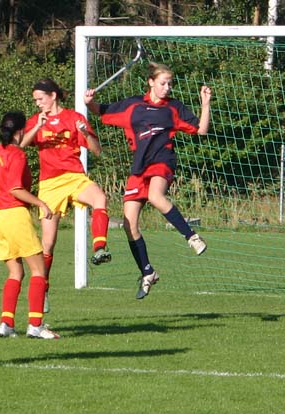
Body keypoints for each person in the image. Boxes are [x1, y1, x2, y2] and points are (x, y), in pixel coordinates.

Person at [84, 62, 212, 299]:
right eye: (163, 83)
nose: (167, 88)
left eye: (170, 84)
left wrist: (205, 104)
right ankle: (147, 272)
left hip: (163, 161)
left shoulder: (173, 108)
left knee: (155, 196)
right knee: (129, 224)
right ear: (151, 82)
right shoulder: (133, 106)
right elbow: (101, 110)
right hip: (139, 168)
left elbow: (201, 130)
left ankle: (192, 237)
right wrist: (89, 101)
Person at [21, 78, 111, 313]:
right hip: (50, 184)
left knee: (100, 198)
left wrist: (85, 133)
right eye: (35, 100)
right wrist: (37, 127)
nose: (38, 103)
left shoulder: (74, 118)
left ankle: (99, 247)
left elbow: (96, 150)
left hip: (73, 177)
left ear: (53, 96)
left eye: (40, 98)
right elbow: (20, 145)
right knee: (48, 243)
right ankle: (43, 289)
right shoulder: (36, 120)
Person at [0, 111, 59, 339]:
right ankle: (35, 325)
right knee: (39, 270)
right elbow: (15, 189)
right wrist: (41, 203)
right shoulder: (16, 154)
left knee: (15, 271)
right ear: (20, 131)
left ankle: (6, 323)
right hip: (14, 214)